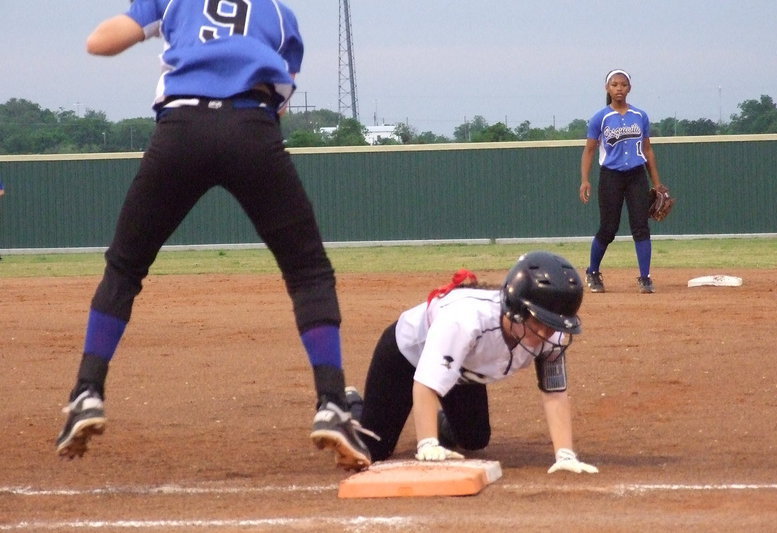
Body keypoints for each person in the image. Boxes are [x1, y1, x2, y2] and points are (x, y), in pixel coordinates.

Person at [55, 0, 372, 472]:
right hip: (251, 127)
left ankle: (87, 391)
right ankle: (331, 404)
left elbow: (98, 43)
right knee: (308, 274)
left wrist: (151, 25)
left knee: (125, 266)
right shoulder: (281, 15)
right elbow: (279, 101)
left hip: (181, 128)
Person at [347, 251, 598, 474]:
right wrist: (427, 443)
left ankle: (436, 420)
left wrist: (564, 454)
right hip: (406, 357)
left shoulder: (551, 335)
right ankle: (346, 405)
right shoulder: (465, 321)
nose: (546, 333)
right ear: (515, 308)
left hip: (464, 369)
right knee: (374, 449)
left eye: (553, 323)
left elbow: (554, 393)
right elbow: (426, 383)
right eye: (540, 322)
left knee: (474, 439)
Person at [579, 69, 663, 294]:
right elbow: (588, 151)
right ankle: (593, 271)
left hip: (636, 175)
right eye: (614, 84)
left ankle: (645, 277)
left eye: (623, 85)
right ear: (607, 88)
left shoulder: (640, 116)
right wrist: (585, 180)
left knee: (641, 227)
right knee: (608, 228)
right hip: (611, 176)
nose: (619, 88)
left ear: (629, 88)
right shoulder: (600, 117)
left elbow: (647, 149)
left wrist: (656, 182)